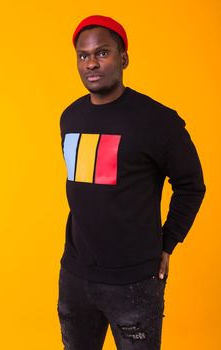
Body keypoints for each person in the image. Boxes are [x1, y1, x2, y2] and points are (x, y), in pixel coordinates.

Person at [57, 15, 206, 350]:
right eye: (83, 55)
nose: (91, 63)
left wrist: (168, 243)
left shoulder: (158, 121)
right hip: (75, 276)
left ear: (123, 58)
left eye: (102, 53)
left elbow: (191, 186)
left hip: (134, 282)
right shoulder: (70, 117)